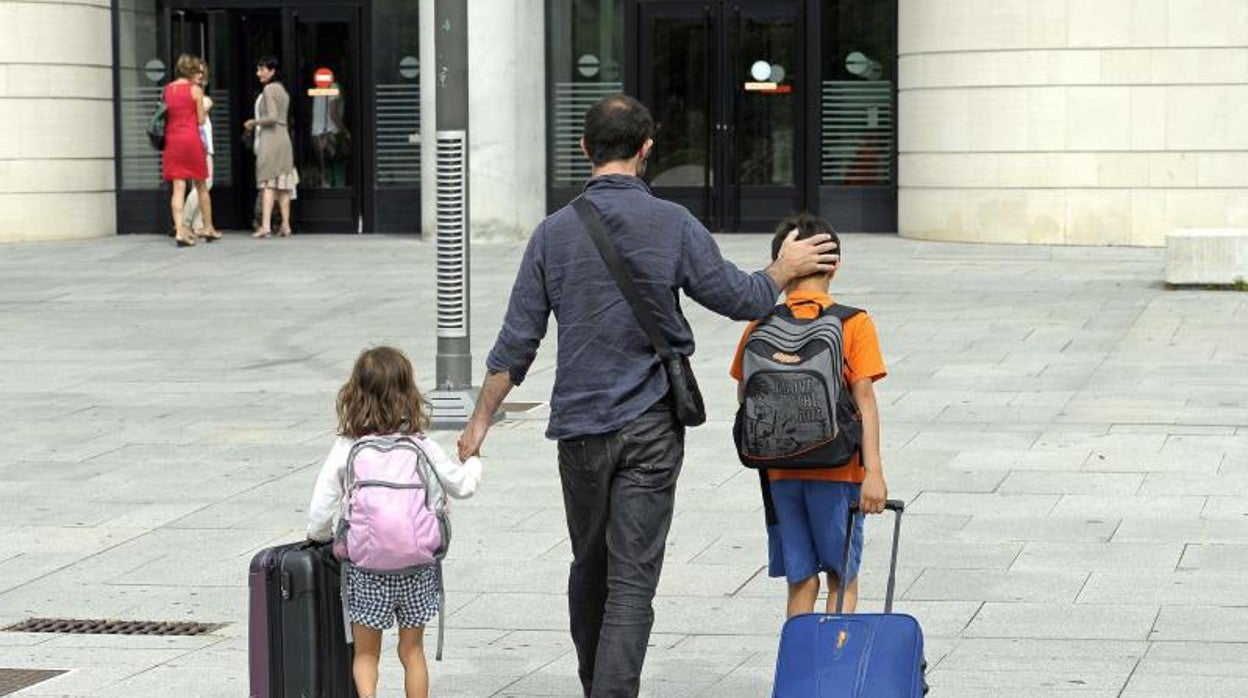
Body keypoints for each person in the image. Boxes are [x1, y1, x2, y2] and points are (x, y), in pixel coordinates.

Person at [455, 93, 838, 697]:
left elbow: (516, 344)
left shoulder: (552, 234)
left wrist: (479, 422)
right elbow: (740, 297)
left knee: (590, 569)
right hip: (652, 427)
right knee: (632, 581)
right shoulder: (673, 223)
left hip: (580, 432)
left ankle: (597, 686)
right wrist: (784, 268)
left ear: (584, 149)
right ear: (646, 149)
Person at [729, 213, 889, 618]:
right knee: (842, 575)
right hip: (838, 473)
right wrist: (874, 472)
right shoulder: (852, 322)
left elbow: (744, 395)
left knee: (800, 579)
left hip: (781, 472)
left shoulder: (760, 323)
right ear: (835, 265)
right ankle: (834, 666)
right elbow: (865, 397)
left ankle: (799, 671)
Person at [307, 346, 482, 698]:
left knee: (366, 654)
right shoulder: (421, 445)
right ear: (408, 395)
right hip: (417, 567)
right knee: (412, 652)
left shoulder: (347, 446)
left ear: (355, 395)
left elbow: (321, 506)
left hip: (366, 569)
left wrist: (318, 536)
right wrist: (474, 459)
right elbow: (462, 486)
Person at [162, 54, 217, 247]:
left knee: (178, 188)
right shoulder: (195, 90)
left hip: (172, 141)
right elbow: (201, 120)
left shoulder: (167, 90)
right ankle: (208, 227)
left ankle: (180, 231)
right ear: (191, 71)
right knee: (201, 184)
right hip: (191, 140)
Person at [244, 55, 298, 238]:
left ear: (272, 71)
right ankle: (286, 225)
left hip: (270, 138)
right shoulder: (283, 91)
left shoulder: (268, 90)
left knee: (267, 183)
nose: (258, 73)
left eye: (262, 69)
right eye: (258, 69)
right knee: (283, 185)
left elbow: (272, 117)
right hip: (284, 138)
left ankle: (265, 226)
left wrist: (254, 122)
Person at [182, 61, 218, 240]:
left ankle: (197, 226)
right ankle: (183, 223)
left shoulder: (193, 94)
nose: (202, 77)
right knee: (205, 184)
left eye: (203, 73)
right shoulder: (197, 96)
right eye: (198, 73)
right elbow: (198, 118)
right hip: (199, 147)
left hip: (200, 146)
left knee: (199, 186)